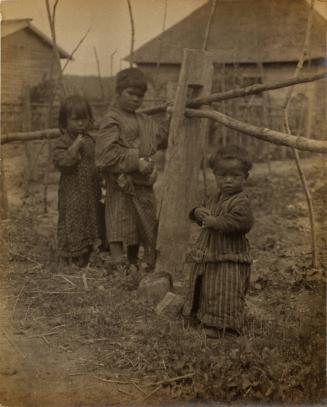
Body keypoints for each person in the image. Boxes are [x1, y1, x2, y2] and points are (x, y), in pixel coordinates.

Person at [95, 67, 168, 272]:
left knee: (142, 218)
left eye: (140, 95)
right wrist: (135, 161)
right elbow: (105, 154)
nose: (136, 99)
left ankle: (135, 260)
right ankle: (119, 263)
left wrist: (171, 117)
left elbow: (159, 139)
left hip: (143, 181)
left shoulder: (143, 120)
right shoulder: (111, 120)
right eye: (131, 94)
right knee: (118, 218)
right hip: (120, 179)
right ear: (118, 93)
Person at [183, 145, 254, 338]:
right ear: (215, 175)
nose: (228, 180)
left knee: (226, 290)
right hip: (210, 253)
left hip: (230, 256)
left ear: (245, 177)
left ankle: (226, 327)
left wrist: (216, 222)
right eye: (222, 176)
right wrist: (198, 212)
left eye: (235, 176)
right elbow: (203, 210)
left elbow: (243, 223)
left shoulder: (241, 201)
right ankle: (205, 317)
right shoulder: (215, 196)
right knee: (209, 288)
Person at [53, 95, 102, 267]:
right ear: (64, 121)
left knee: (91, 217)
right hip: (72, 191)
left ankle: (88, 253)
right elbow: (62, 163)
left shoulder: (91, 140)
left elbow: (98, 161)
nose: (81, 123)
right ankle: (72, 256)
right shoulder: (63, 141)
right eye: (76, 119)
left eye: (85, 119)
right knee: (73, 219)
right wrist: (74, 148)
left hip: (90, 190)